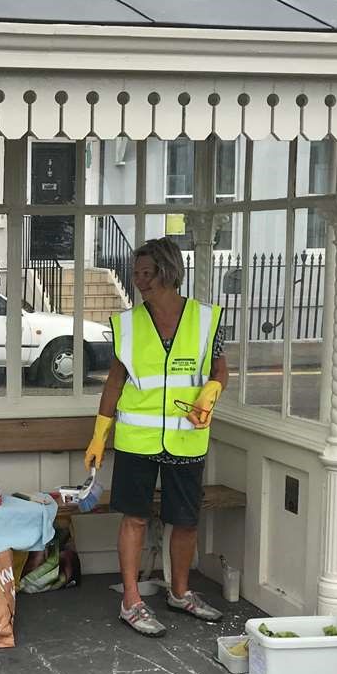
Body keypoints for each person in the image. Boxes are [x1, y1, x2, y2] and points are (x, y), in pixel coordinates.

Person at [85, 236, 228, 637]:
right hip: (137, 441)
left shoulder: (207, 319)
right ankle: (131, 600)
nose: (139, 281)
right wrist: (100, 434)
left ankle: (180, 593)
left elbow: (220, 370)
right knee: (134, 517)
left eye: (146, 273)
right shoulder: (127, 325)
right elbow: (115, 382)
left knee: (185, 520)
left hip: (187, 438)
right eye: (136, 274)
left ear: (168, 271)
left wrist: (211, 393)